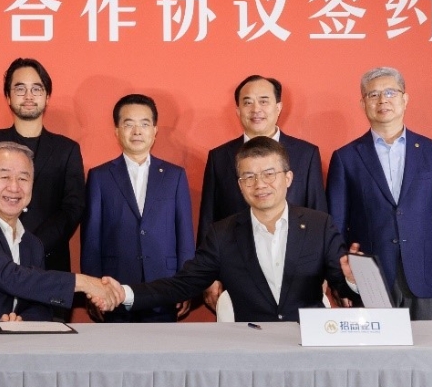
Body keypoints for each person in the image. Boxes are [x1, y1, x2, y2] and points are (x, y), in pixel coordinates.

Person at [102, 137, 356, 322]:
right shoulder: (223, 233)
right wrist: (124, 293)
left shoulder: (319, 225)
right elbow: (182, 285)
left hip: (306, 346)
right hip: (249, 347)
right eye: (249, 177)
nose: (260, 184)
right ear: (240, 185)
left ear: (287, 178)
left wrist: (355, 280)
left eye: (269, 174)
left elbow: (342, 288)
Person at [326, 66, 432, 320]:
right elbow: (335, 227)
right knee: (374, 346)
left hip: (424, 275)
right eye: (373, 94)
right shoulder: (346, 158)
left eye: (390, 92)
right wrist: (340, 282)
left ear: (405, 99)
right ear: (363, 103)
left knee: (427, 345)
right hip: (368, 278)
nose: (382, 100)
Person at [0, 142, 112, 323]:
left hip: (5, 339)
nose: (14, 187)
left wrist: (22, 320)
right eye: (4, 176)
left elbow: (40, 306)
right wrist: (84, 283)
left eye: (23, 179)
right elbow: (9, 276)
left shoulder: (32, 244)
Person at [196, 74, 325, 309]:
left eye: (264, 101)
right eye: (248, 102)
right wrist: (209, 275)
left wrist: (324, 269)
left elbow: (319, 215)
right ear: (238, 110)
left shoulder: (306, 154)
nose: (256, 109)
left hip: (297, 277)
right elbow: (209, 217)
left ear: (278, 107)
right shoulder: (220, 157)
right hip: (235, 276)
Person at [81, 94, 195, 322]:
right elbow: (91, 238)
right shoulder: (100, 176)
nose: (137, 131)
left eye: (144, 124)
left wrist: (187, 284)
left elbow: (184, 234)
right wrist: (93, 286)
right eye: (128, 124)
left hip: (165, 286)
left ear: (155, 130)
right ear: (117, 131)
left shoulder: (174, 176)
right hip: (114, 288)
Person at [0, 57, 85, 274]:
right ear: (8, 96)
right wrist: (8, 240)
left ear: (47, 97)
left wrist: (34, 244)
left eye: (36, 89)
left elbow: (72, 208)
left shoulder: (67, 149)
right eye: (20, 89)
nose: (29, 96)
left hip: (50, 261)